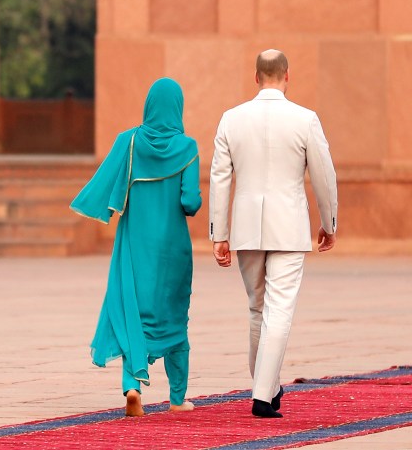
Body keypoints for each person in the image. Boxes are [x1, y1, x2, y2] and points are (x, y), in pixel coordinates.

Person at [209, 49, 338, 419]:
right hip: (289, 226)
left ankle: (267, 386)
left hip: (247, 227)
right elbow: (324, 175)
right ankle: (263, 396)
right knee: (278, 309)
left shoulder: (231, 119)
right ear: (286, 76)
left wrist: (220, 233)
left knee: (257, 309)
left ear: (256, 77)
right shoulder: (305, 119)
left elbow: (220, 177)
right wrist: (329, 223)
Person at [71, 78, 202, 416]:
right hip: (173, 249)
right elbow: (190, 203)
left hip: (134, 245)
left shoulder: (127, 142)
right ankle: (177, 398)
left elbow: (106, 186)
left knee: (134, 311)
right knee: (174, 317)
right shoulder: (187, 148)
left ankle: (132, 386)